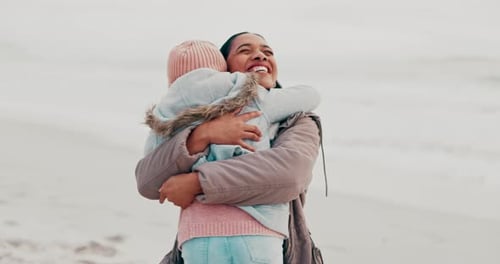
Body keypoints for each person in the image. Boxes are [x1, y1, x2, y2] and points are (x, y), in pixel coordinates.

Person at [135, 32, 324, 264]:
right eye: (245, 50)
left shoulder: (297, 120)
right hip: (205, 237)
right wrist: (200, 136)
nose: (260, 56)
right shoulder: (197, 122)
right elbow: (147, 181)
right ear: (223, 71)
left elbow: (289, 175)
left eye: (268, 52)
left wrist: (196, 183)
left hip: (253, 239)